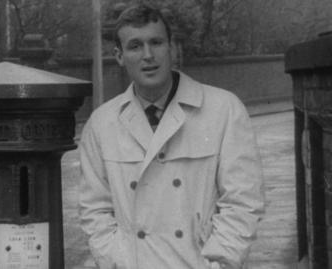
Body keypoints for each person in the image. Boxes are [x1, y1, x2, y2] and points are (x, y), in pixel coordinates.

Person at [78, 3, 265, 269]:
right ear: (119, 56)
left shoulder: (224, 110)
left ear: (172, 48)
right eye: (135, 46)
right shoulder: (101, 124)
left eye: (156, 43)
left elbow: (243, 200)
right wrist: (117, 261)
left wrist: (220, 262)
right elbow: (95, 211)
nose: (148, 55)